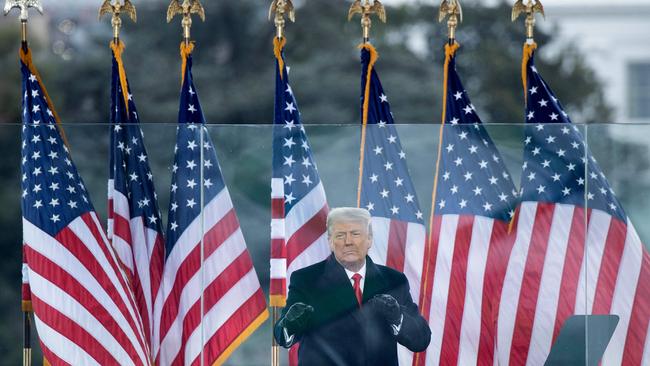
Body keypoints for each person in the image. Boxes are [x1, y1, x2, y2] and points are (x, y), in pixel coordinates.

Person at [274, 207, 431, 365]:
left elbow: (421, 340)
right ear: (330, 241)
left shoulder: (393, 280)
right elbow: (282, 337)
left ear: (369, 239)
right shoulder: (306, 279)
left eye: (355, 234)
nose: (348, 242)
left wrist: (398, 317)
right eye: (340, 235)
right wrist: (290, 323)